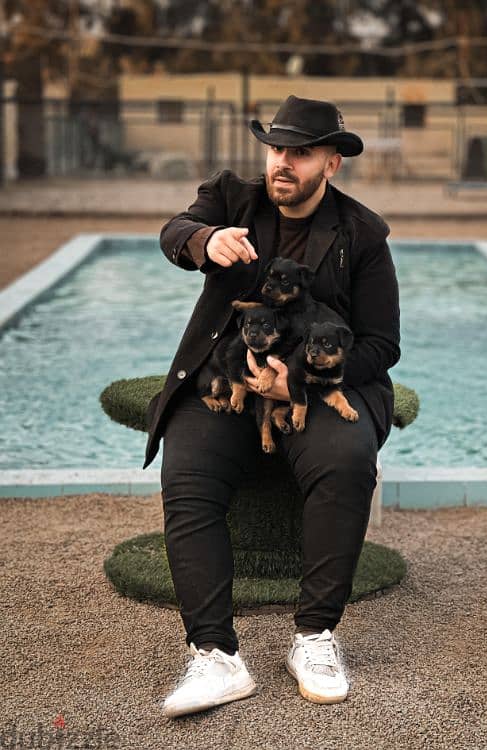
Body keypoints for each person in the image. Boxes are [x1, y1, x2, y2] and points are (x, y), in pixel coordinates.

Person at [147, 95, 400, 717]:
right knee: (187, 472)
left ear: (331, 164)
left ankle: (315, 637)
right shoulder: (233, 197)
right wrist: (205, 242)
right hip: (225, 383)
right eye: (276, 149)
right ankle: (215, 656)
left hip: (310, 390)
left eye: (300, 152)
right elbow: (172, 233)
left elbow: (383, 344)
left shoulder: (363, 234)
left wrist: (305, 385)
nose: (282, 163)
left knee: (346, 462)